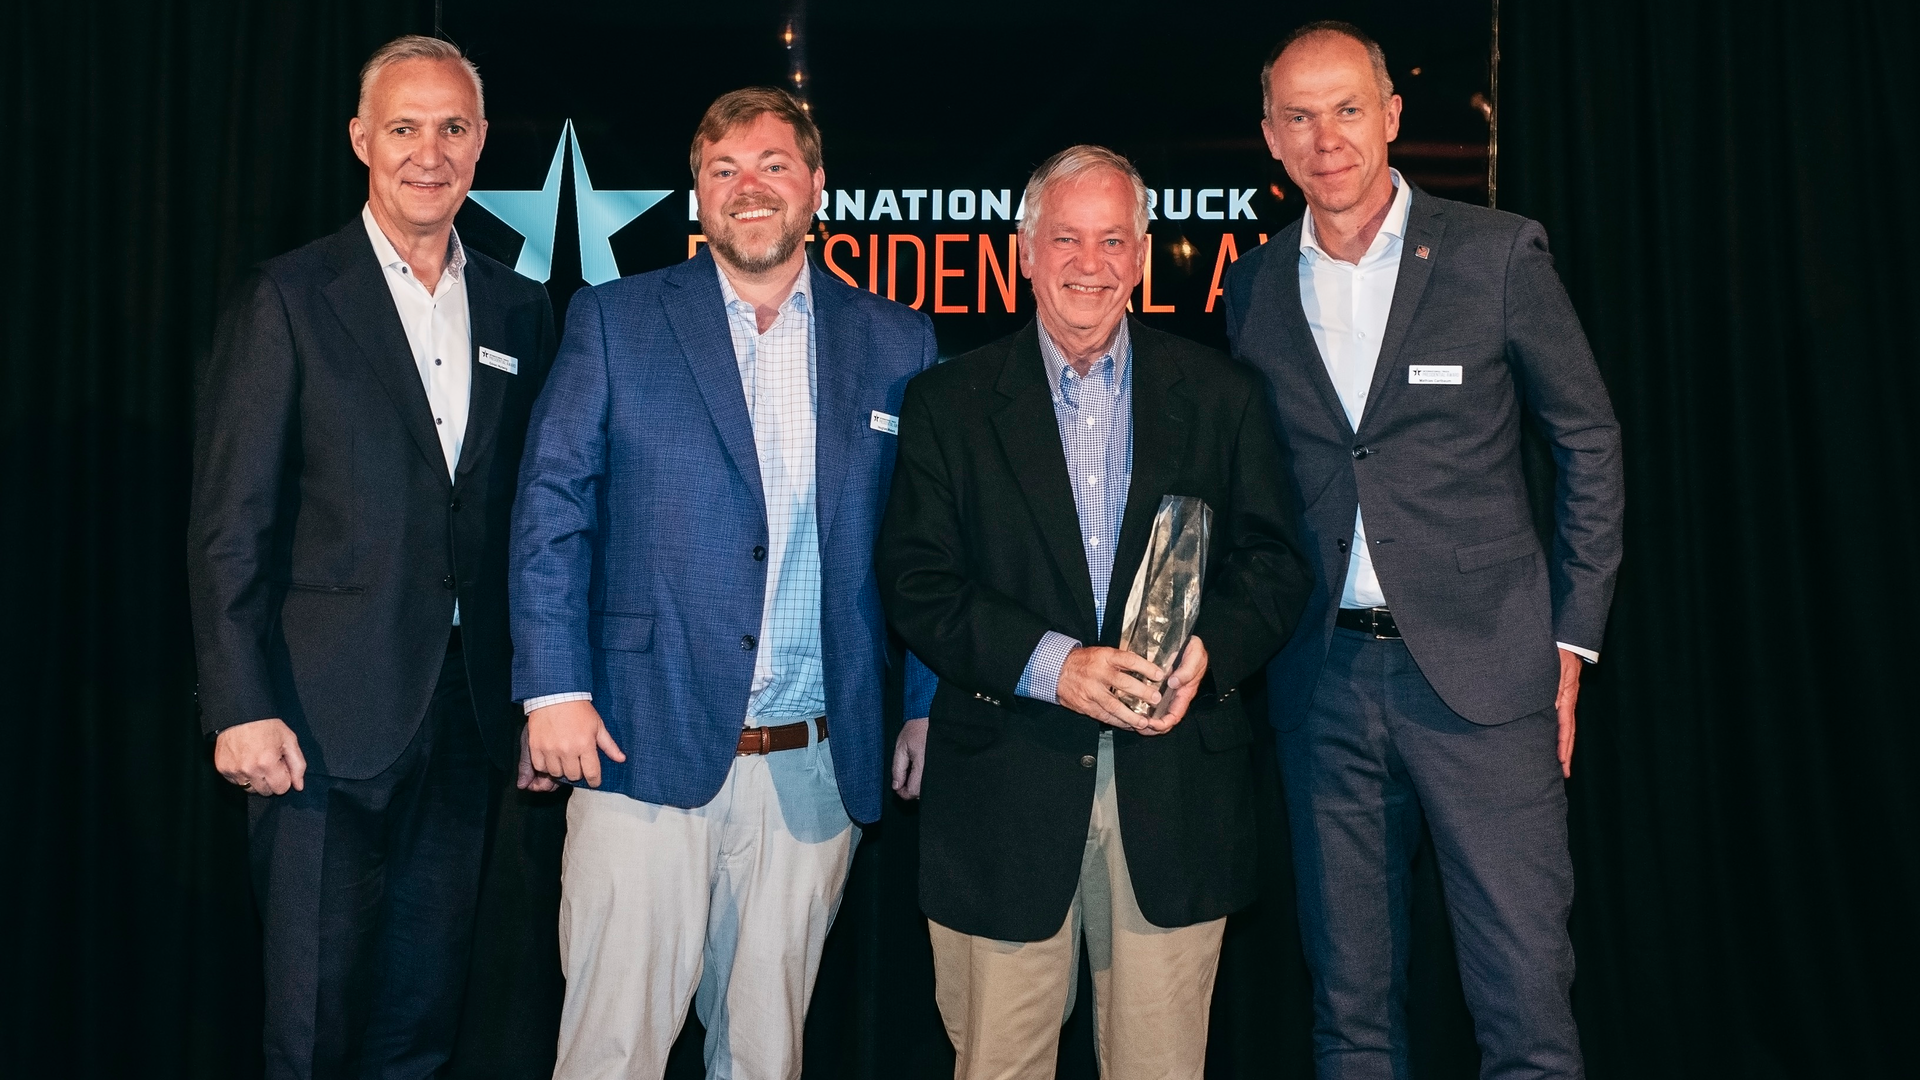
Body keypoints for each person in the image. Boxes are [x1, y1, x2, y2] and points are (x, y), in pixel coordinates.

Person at [1222, 21, 1626, 1080]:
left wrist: (1570, 643)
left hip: (1487, 688)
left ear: (1392, 116)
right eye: (1299, 117)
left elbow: (1588, 439)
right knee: (1350, 1017)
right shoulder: (1253, 289)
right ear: (1269, 137)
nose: (1327, 139)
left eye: (1348, 109)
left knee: (1526, 1008)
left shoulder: (1498, 253)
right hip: (1324, 686)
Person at [509, 86, 937, 1079]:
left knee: (766, 1058)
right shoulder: (616, 320)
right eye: (723, 171)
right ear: (696, 196)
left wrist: (920, 707)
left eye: (773, 165)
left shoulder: (896, 342)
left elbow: (923, 547)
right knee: (611, 1051)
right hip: (638, 750)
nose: (749, 189)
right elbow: (551, 513)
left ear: (817, 188)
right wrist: (555, 691)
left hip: (814, 766)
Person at [878, 144, 1313, 1080]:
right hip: (1004, 790)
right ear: (1024, 251)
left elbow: (1276, 565)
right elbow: (917, 581)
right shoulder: (946, 402)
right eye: (1066, 238)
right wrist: (1054, 665)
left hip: (1175, 794)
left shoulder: (1223, 396)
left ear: (1144, 253)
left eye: (1114, 239)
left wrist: (1213, 651)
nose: (1090, 262)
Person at [186, 35, 556, 1080]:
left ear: (481, 145)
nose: (427, 153)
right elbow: (229, 525)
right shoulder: (291, 298)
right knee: (310, 1028)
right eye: (404, 127)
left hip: (468, 719)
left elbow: (531, 521)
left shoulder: (523, 308)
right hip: (315, 722)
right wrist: (237, 703)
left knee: (421, 1024)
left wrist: (533, 697)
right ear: (361, 140)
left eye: (451, 128)